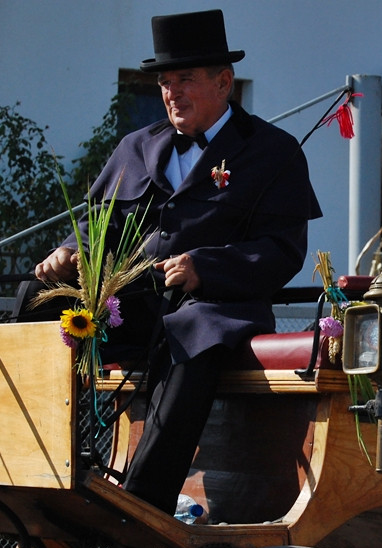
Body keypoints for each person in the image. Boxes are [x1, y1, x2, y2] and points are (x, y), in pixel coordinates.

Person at [20, 9, 322, 514]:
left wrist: (207, 267)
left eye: (185, 79)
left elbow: (283, 250)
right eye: (164, 81)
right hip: (133, 305)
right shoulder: (136, 147)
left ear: (224, 82)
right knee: (37, 299)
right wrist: (72, 257)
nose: (171, 91)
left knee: (194, 327)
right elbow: (102, 235)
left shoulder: (273, 151)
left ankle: (143, 506)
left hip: (216, 311)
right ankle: (37, 466)